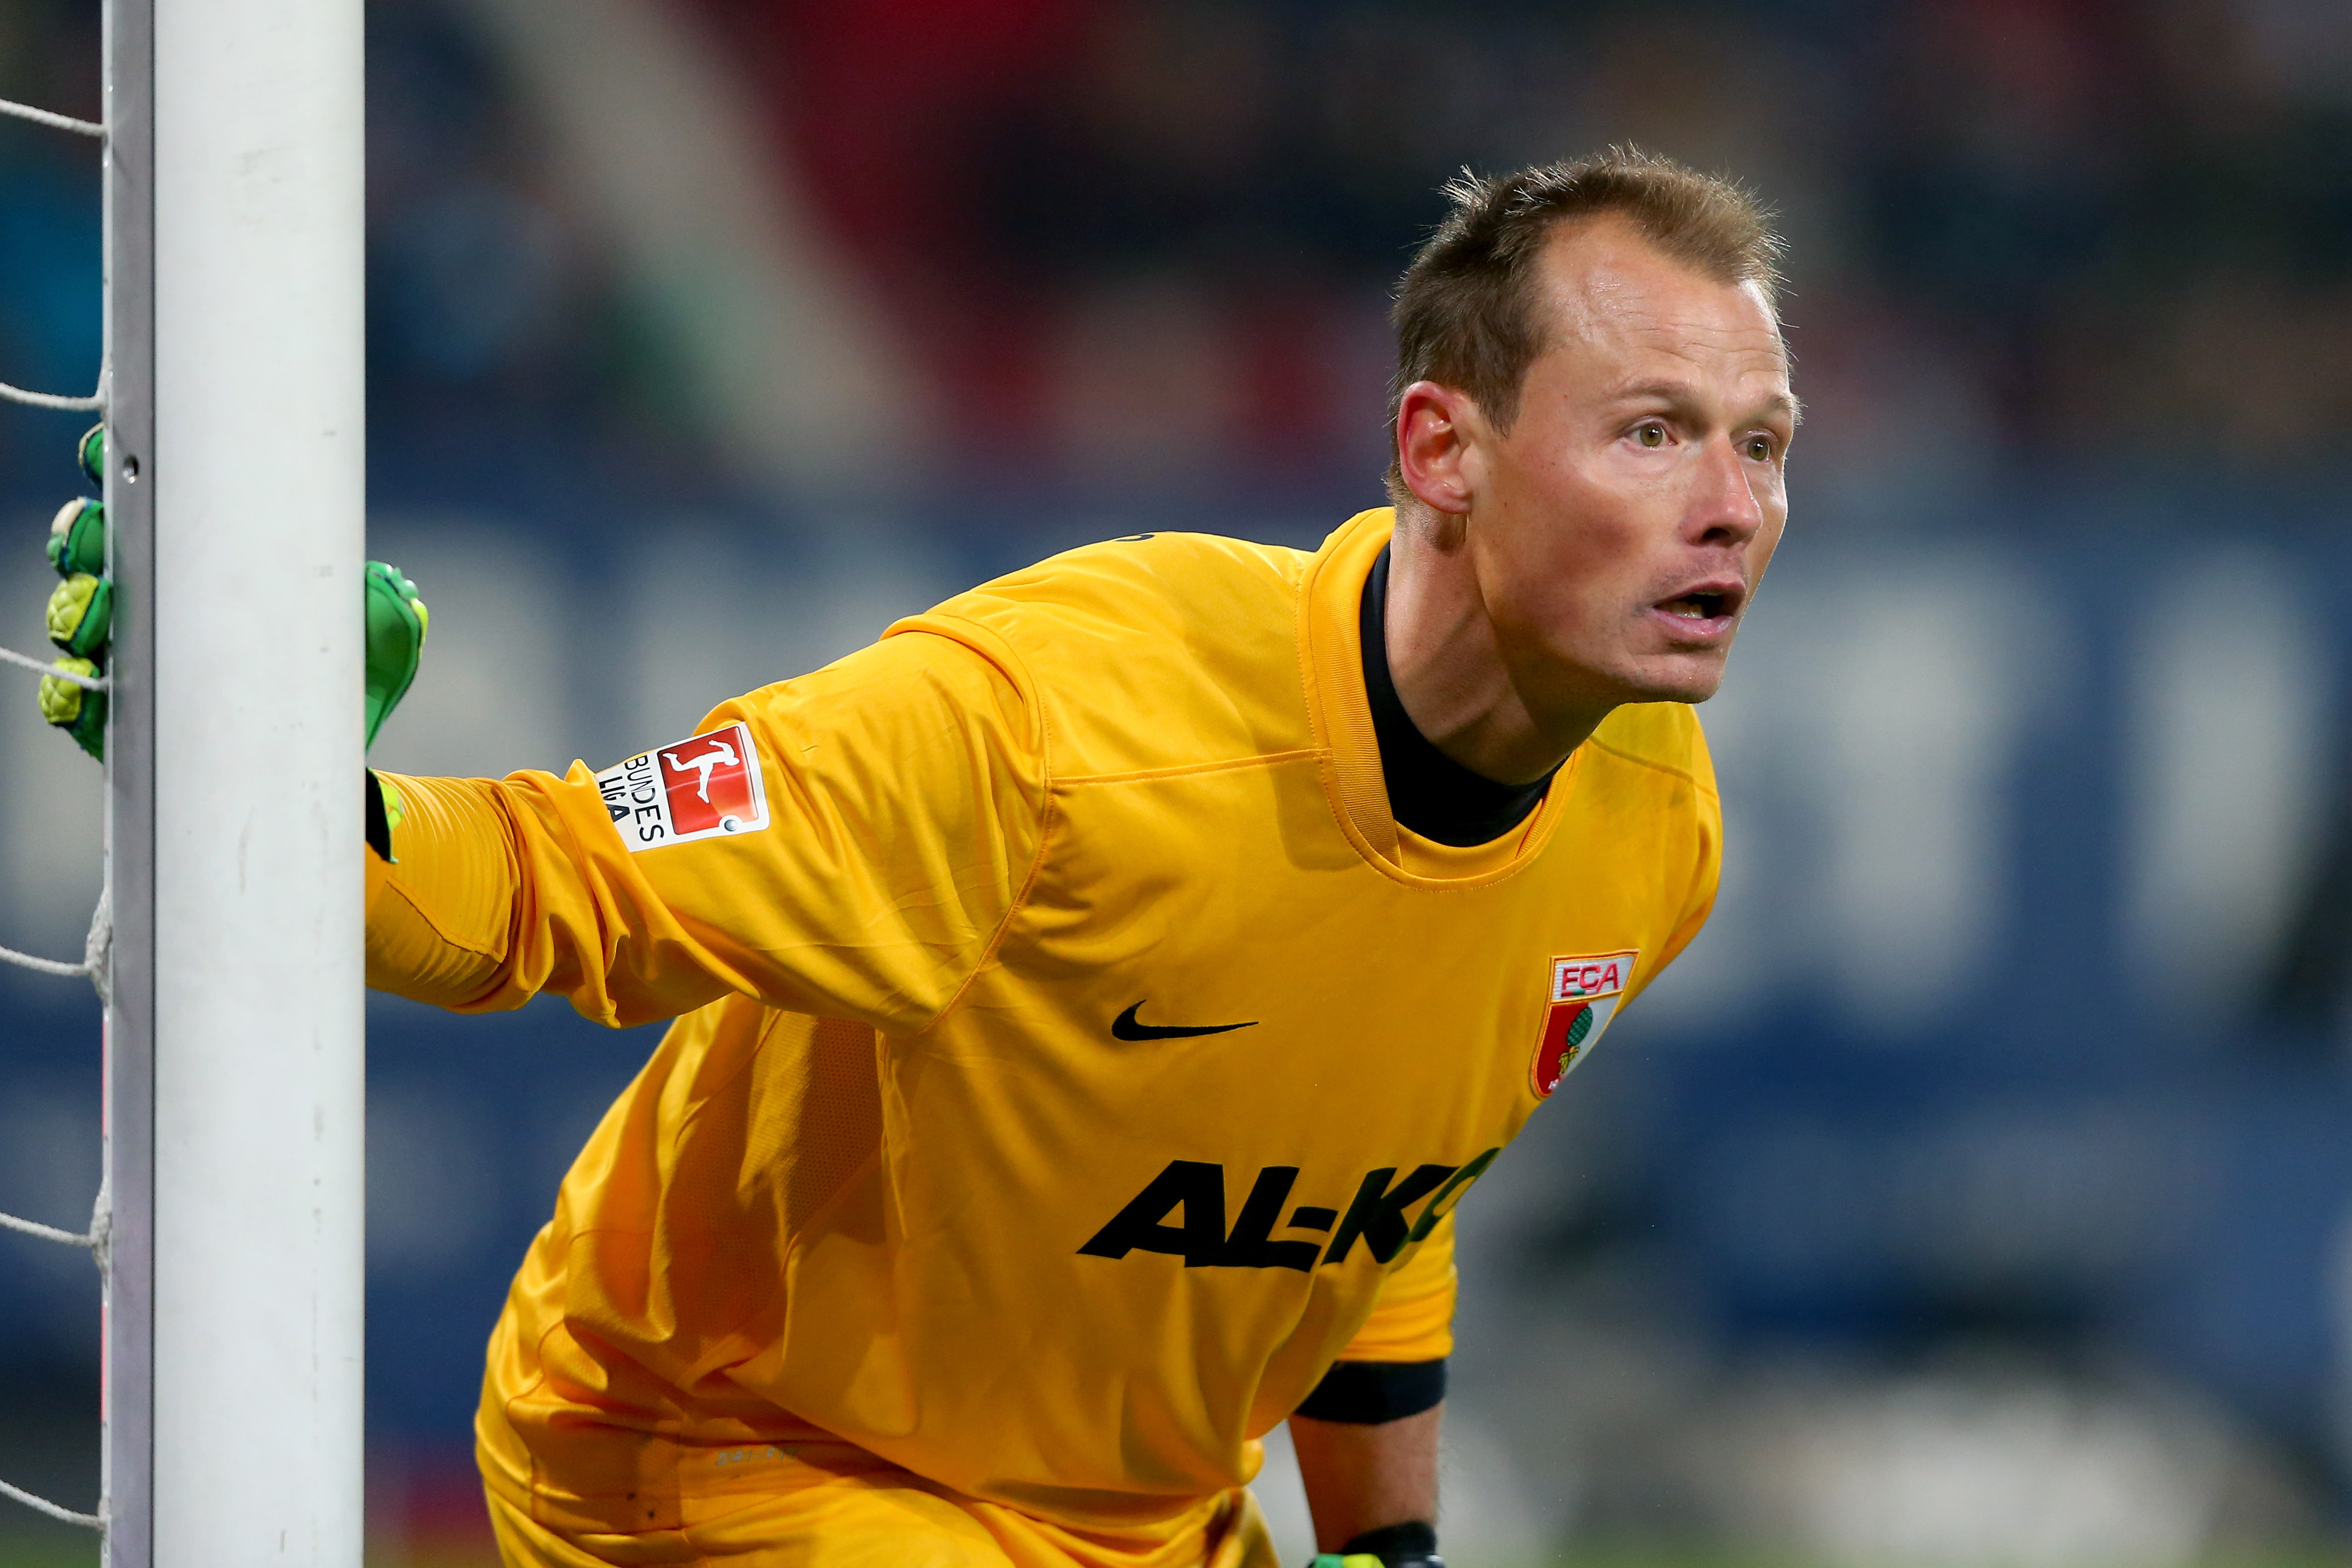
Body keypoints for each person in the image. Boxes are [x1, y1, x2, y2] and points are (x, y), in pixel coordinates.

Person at [358, 147, 1793, 1568]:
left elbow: (1380, 1199)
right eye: (1652, 433)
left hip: (1138, 1525)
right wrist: (288, 795)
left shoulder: (1653, 823)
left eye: (1764, 444)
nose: (1731, 504)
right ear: (1442, 452)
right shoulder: (1057, 721)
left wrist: (1389, 1544)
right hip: (737, 1458)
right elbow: (555, 873)